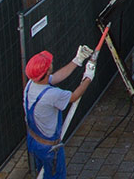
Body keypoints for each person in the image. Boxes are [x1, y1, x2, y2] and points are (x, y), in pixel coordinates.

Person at [23, 45, 96, 179]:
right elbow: (74, 96)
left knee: (43, 172)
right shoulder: (52, 95)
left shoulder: (31, 84)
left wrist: (77, 60)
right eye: (49, 65)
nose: (51, 64)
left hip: (34, 140)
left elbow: (55, 77)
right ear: (46, 73)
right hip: (49, 149)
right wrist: (88, 78)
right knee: (55, 175)